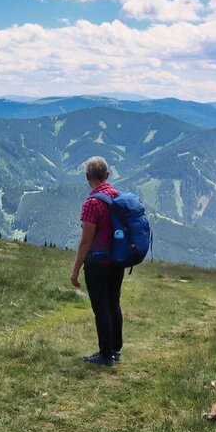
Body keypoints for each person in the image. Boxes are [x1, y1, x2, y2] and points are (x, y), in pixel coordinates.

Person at [70, 156, 123, 367]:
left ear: (87, 177)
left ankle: (105, 354)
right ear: (107, 175)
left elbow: (86, 242)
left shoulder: (92, 204)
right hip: (117, 260)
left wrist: (75, 271)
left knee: (101, 307)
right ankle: (116, 351)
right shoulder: (117, 197)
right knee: (113, 304)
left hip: (97, 263)